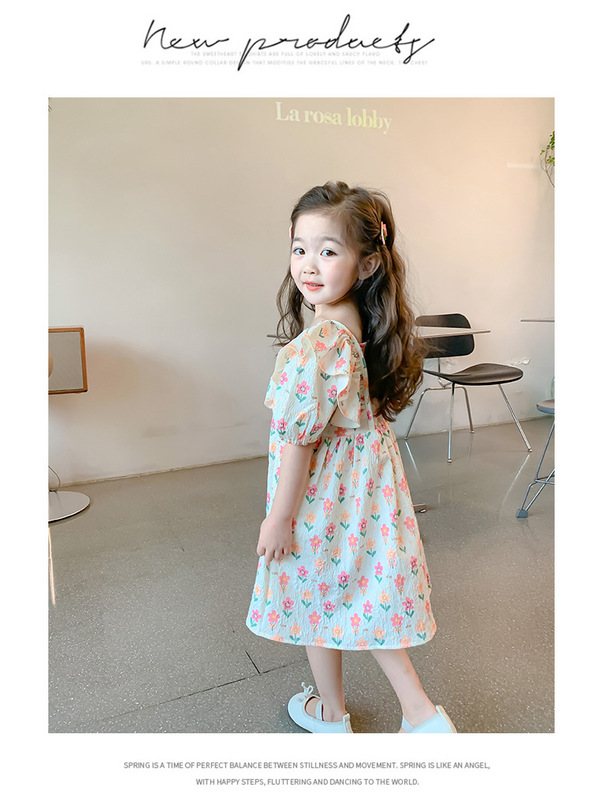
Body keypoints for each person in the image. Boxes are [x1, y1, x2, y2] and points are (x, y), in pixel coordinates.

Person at [246, 181, 456, 734]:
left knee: (318, 593)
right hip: (360, 490)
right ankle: (409, 716)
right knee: (355, 592)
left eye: (328, 250)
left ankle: (352, 714)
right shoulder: (356, 324)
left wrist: (279, 517)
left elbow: (299, 440)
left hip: (322, 495)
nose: (308, 264)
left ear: (366, 264)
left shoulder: (318, 343)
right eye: (299, 248)